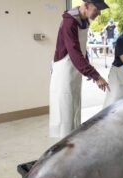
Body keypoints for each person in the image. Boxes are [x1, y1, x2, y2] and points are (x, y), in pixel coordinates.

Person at [49, 0, 110, 138]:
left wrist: (87, 66)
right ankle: (64, 147)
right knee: (65, 112)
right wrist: (95, 75)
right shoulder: (69, 22)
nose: (99, 13)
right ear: (87, 6)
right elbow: (75, 52)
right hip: (64, 71)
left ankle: (72, 142)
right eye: (97, 9)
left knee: (74, 107)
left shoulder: (84, 21)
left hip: (74, 69)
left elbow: (82, 49)